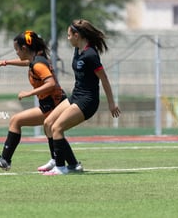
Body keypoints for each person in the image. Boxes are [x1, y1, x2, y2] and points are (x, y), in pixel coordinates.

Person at [0, 30, 76, 172]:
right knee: (50, 129)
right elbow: (27, 62)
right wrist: (6, 62)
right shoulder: (35, 59)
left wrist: (29, 93)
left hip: (54, 104)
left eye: (16, 49)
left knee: (18, 121)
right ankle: (71, 163)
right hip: (50, 103)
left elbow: (51, 83)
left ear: (24, 48)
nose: (16, 53)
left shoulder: (38, 64)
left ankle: (5, 159)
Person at [42, 19, 121, 175]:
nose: (68, 38)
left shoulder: (90, 54)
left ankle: (61, 167)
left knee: (57, 128)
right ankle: (71, 164)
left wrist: (112, 103)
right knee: (48, 123)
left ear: (77, 35)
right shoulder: (78, 50)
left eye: (69, 35)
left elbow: (104, 79)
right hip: (76, 96)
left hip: (87, 100)